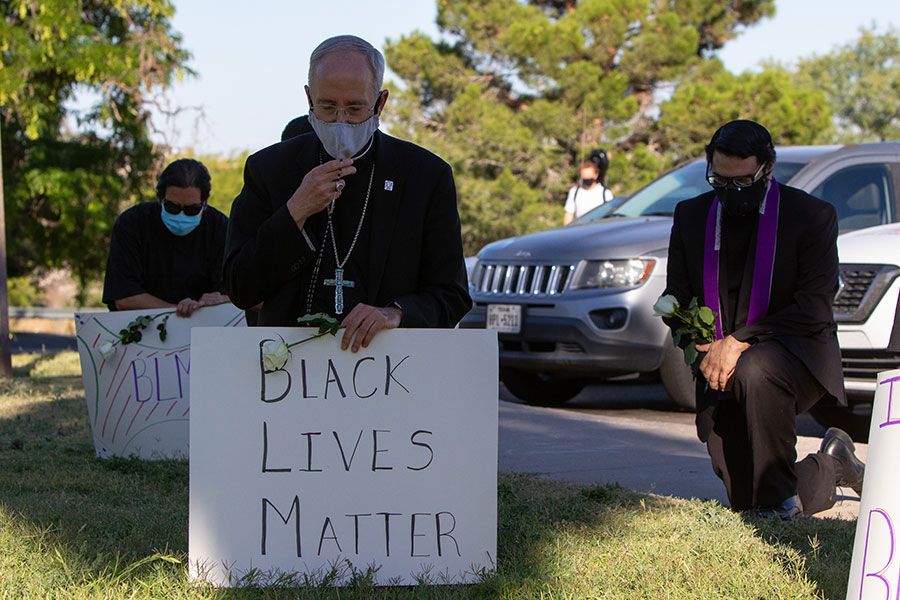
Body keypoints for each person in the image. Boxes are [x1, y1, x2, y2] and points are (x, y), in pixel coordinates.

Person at [663, 119, 865, 518]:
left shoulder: (811, 216)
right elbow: (676, 298)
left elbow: (813, 307)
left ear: (766, 169)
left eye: (741, 184)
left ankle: (778, 507)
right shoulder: (691, 215)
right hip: (719, 364)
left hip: (794, 354)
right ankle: (832, 464)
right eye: (719, 182)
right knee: (744, 497)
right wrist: (702, 344)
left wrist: (737, 342)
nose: (729, 194)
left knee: (756, 367)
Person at [224, 35, 471, 352]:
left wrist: (395, 313)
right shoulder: (269, 169)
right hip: (289, 379)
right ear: (308, 98)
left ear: (380, 103)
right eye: (327, 107)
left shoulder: (425, 175)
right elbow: (240, 288)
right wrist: (295, 210)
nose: (340, 122)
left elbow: (452, 295)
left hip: (388, 374)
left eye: (355, 109)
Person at [102, 158, 229, 317]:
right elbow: (124, 297)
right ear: (160, 199)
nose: (181, 215)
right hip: (140, 326)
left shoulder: (220, 228)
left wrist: (215, 302)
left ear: (205, 202)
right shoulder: (132, 223)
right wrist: (180, 310)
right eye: (172, 207)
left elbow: (232, 295)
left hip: (203, 329)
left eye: (191, 210)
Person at [563, 149, 614, 225]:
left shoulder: (605, 194)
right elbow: (568, 215)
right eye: (585, 177)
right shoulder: (574, 192)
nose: (587, 180)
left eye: (589, 177)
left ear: (596, 175)